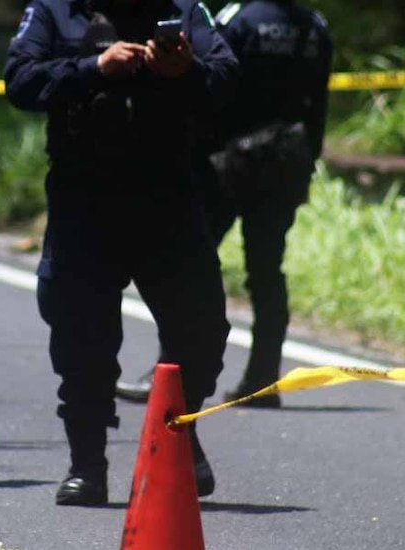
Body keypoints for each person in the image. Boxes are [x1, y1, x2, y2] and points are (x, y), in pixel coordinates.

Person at [4, 0, 237, 506]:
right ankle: (87, 465)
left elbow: (229, 80)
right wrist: (93, 69)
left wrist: (185, 71)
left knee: (200, 332)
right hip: (84, 202)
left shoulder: (185, 11)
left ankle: (177, 439)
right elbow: (19, 80)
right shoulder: (54, 11)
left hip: (169, 200)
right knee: (81, 341)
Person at [115, 0, 333, 408]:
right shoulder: (314, 26)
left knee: (184, 269)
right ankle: (263, 378)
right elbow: (318, 106)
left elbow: (214, 88)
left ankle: (169, 373)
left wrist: (192, 155)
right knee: (267, 271)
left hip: (228, 163)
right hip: (286, 163)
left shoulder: (239, 18)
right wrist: (308, 166)